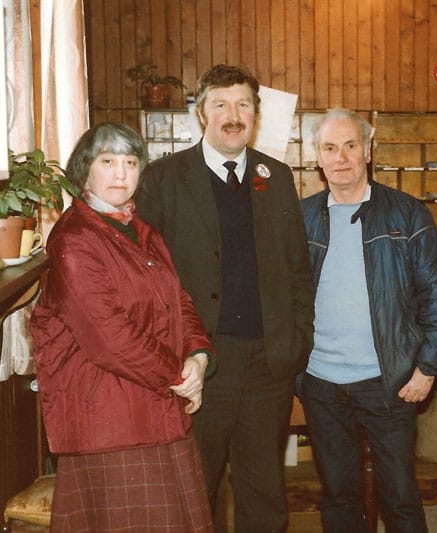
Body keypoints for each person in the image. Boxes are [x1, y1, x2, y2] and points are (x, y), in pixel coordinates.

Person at [136, 64, 315, 532]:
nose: (233, 116)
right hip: (200, 365)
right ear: (201, 114)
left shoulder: (276, 176)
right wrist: (172, 353)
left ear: (256, 113)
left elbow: (298, 269)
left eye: (243, 105)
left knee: (265, 492)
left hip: (268, 365)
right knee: (197, 492)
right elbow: (145, 278)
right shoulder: (164, 178)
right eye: (220, 104)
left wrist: (295, 341)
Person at [31, 122, 214, 532]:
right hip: (109, 424)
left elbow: (178, 300)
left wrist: (199, 358)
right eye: (108, 161)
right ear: (85, 170)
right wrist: (178, 377)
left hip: (155, 406)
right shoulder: (75, 238)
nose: (120, 173)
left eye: (130, 162)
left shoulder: (141, 230)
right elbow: (109, 338)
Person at [299, 108, 437, 532]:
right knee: (339, 497)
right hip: (322, 383)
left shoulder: (407, 213)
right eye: (330, 148)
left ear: (367, 150)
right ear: (318, 156)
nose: (341, 157)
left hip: (389, 382)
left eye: (350, 145)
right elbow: (284, 298)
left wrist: (428, 368)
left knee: (400, 497)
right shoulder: (301, 217)